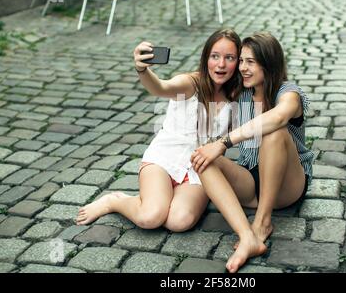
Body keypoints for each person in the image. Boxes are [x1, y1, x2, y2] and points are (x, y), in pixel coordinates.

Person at [76, 28, 242, 233]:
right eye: (214, 56)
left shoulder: (236, 96)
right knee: (150, 217)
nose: (221, 64)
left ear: (238, 62)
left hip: (199, 170)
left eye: (230, 58)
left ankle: (162, 199)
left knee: (179, 222)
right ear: (205, 58)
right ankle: (114, 201)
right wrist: (143, 70)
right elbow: (160, 88)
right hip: (163, 159)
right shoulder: (190, 83)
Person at [190, 32, 314, 273]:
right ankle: (247, 236)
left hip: (289, 185)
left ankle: (262, 223)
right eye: (242, 61)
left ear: (269, 64)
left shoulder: (289, 93)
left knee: (274, 132)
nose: (243, 68)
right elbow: (204, 79)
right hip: (251, 183)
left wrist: (224, 142)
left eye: (251, 62)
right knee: (203, 157)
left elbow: (277, 117)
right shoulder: (241, 94)